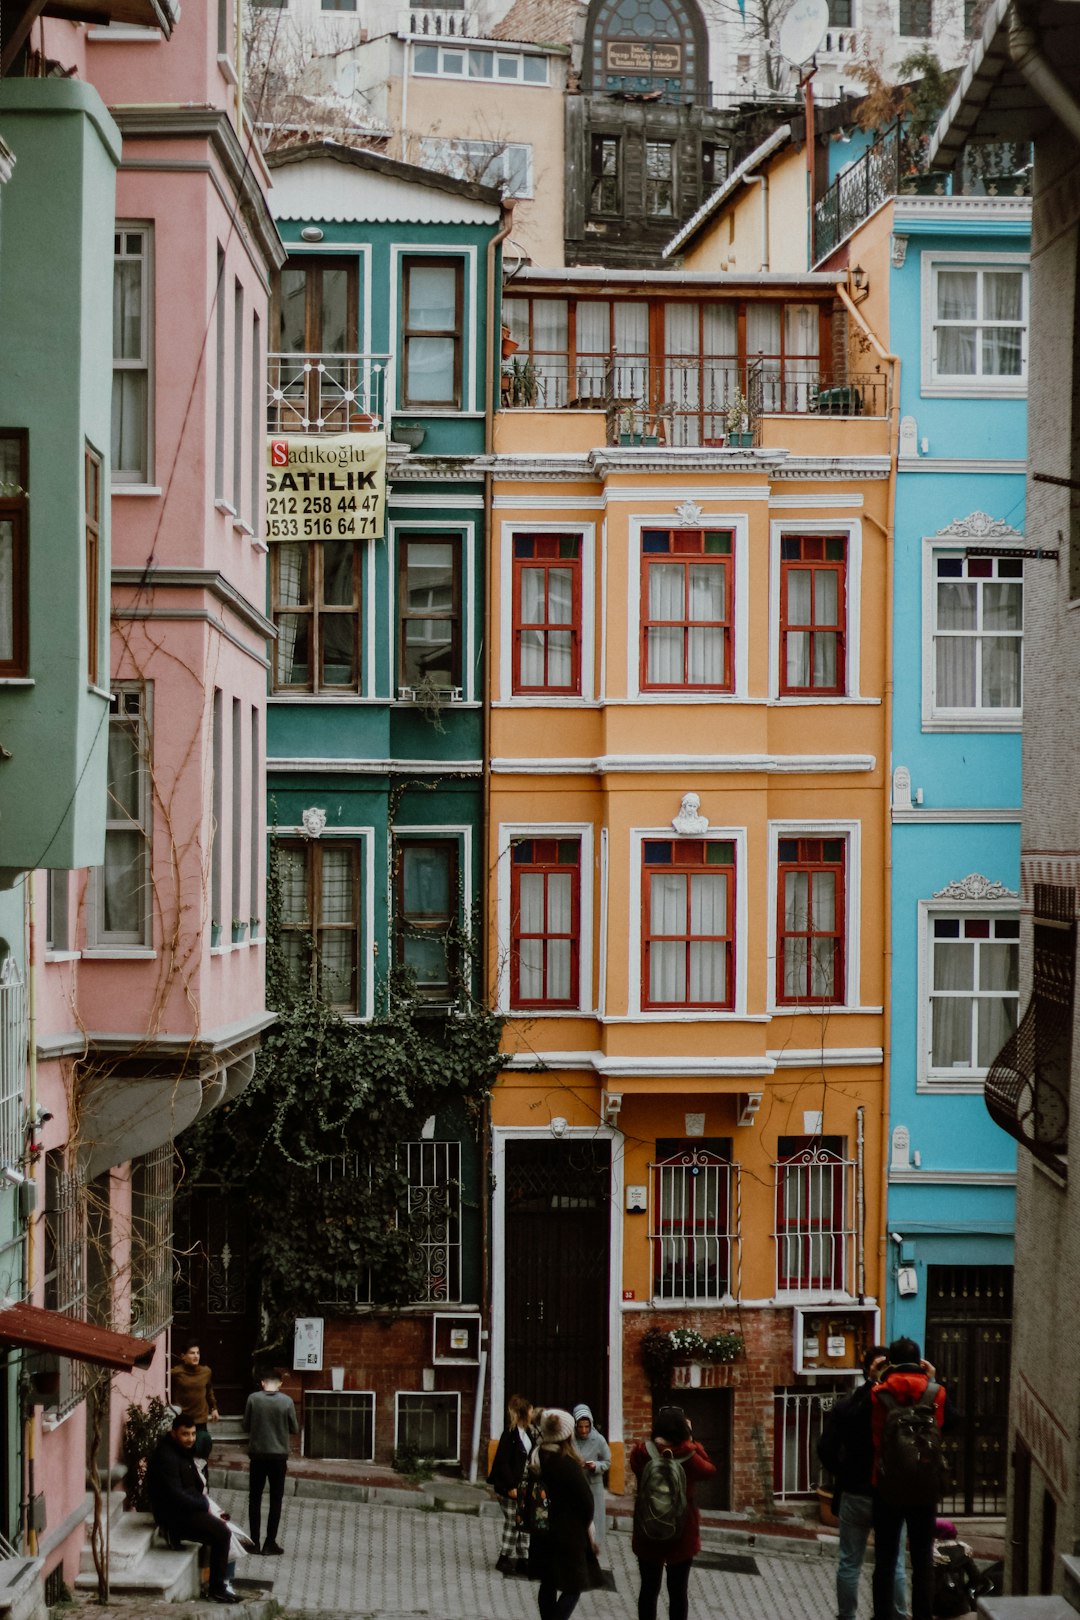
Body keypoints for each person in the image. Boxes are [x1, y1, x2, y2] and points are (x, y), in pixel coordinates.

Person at [817, 1345, 910, 1620]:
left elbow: (825, 1448)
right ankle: (899, 1614)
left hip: (856, 1491)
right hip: (891, 1492)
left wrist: (843, 1472)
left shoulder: (849, 1405)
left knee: (849, 1561)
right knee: (895, 1563)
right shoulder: (904, 1402)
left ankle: (847, 1616)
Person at [871, 1337, 954, 1620]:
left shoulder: (878, 1394)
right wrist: (933, 1379)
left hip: (887, 1485)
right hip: (924, 1486)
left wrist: (875, 1378)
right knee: (922, 1561)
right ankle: (922, 1615)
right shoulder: (937, 1393)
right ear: (920, 1363)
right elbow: (951, 1423)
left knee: (885, 1559)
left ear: (889, 1363)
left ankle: (883, 1615)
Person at [630, 1404, 716, 1620]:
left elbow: (634, 1464)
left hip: (647, 1527)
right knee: (678, 1593)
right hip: (681, 1532)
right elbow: (709, 1470)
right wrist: (692, 1440)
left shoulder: (641, 1453)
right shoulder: (689, 1455)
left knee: (648, 1590)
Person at [146, 1415, 239, 1605]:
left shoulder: (182, 1450)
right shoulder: (167, 1456)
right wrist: (204, 1505)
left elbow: (192, 1485)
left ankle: (220, 1584)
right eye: (185, 1434)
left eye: (193, 1434)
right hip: (174, 1515)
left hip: (187, 1508)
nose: (190, 1438)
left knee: (224, 1528)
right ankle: (217, 1589)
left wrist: (206, 1505)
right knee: (222, 1533)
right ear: (173, 1433)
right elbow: (175, 1495)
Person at [526, 1407, 595, 1620]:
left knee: (548, 1582)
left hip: (542, 1531)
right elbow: (587, 1502)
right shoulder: (567, 1464)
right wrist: (587, 1527)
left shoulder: (537, 1457)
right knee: (574, 1586)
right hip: (569, 1535)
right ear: (567, 1434)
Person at [244, 1367, 299, 1556]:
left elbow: (246, 1425)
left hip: (258, 1455)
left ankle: (254, 1542)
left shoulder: (253, 1399)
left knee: (255, 1498)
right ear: (280, 1383)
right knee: (275, 1499)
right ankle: (270, 1543)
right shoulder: (287, 1402)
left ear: (262, 1383)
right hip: (278, 1457)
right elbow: (294, 1427)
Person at [488, 1391, 534, 1576]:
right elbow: (502, 1462)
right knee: (514, 1521)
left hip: (524, 1484)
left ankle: (524, 1559)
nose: (532, 1415)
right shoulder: (510, 1435)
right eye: (530, 1412)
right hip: (510, 1486)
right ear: (523, 1414)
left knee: (523, 1521)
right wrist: (510, 1487)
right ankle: (504, 1558)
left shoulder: (529, 1432)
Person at [572, 1404, 611, 1555]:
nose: (583, 1430)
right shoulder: (570, 1439)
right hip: (576, 1485)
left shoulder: (598, 1440)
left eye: (586, 1426)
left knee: (594, 1519)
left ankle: (593, 1547)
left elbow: (607, 1461)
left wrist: (595, 1465)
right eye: (580, 1426)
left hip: (593, 1485)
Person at [171, 1339, 218, 1461]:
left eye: (198, 1353)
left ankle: (202, 1479)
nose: (196, 1356)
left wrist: (214, 1408)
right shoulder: (175, 1373)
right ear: (183, 1356)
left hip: (200, 1420)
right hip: (183, 1420)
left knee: (202, 1452)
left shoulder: (206, 1372)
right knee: (184, 1456)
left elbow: (209, 1391)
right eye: (192, 1353)